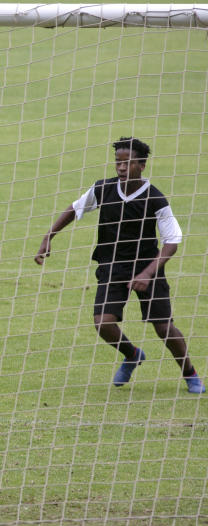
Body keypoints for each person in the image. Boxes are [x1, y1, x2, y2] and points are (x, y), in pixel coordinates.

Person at [35, 137, 205, 394]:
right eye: (118, 162)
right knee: (103, 323)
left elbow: (172, 242)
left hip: (147, 266)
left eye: (128, 163)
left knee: (164, 328)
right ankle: (132, 354)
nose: (122, 168)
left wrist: (147, 274)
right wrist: (49, 236)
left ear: (142, 165)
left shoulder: (155, 199)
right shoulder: (103, 189)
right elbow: (75, 208)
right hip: (112, 265)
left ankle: (190, 373)